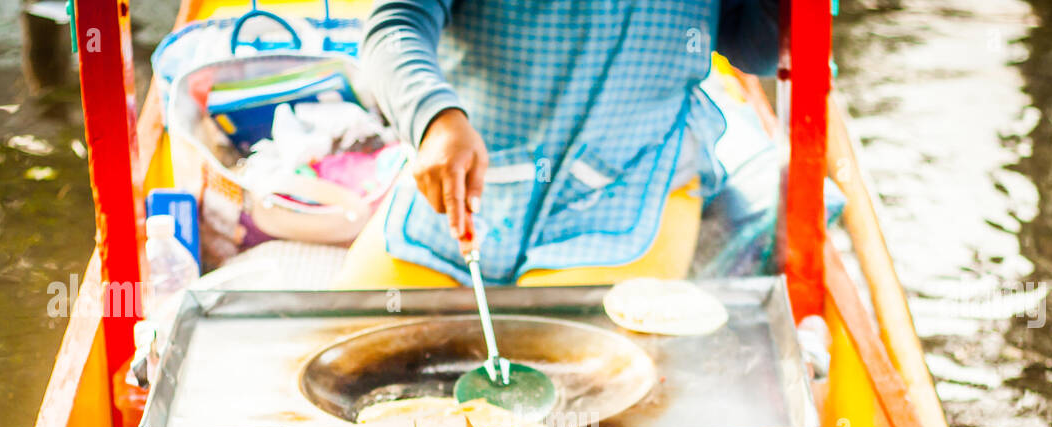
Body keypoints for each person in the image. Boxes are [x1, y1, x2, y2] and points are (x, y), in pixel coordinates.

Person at [334, 0, 780, 289]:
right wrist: (434, 118)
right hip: (468, 175)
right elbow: (396, 24)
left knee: (590, 376)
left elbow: (757, 50)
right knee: (355, 343)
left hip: (634, 179)